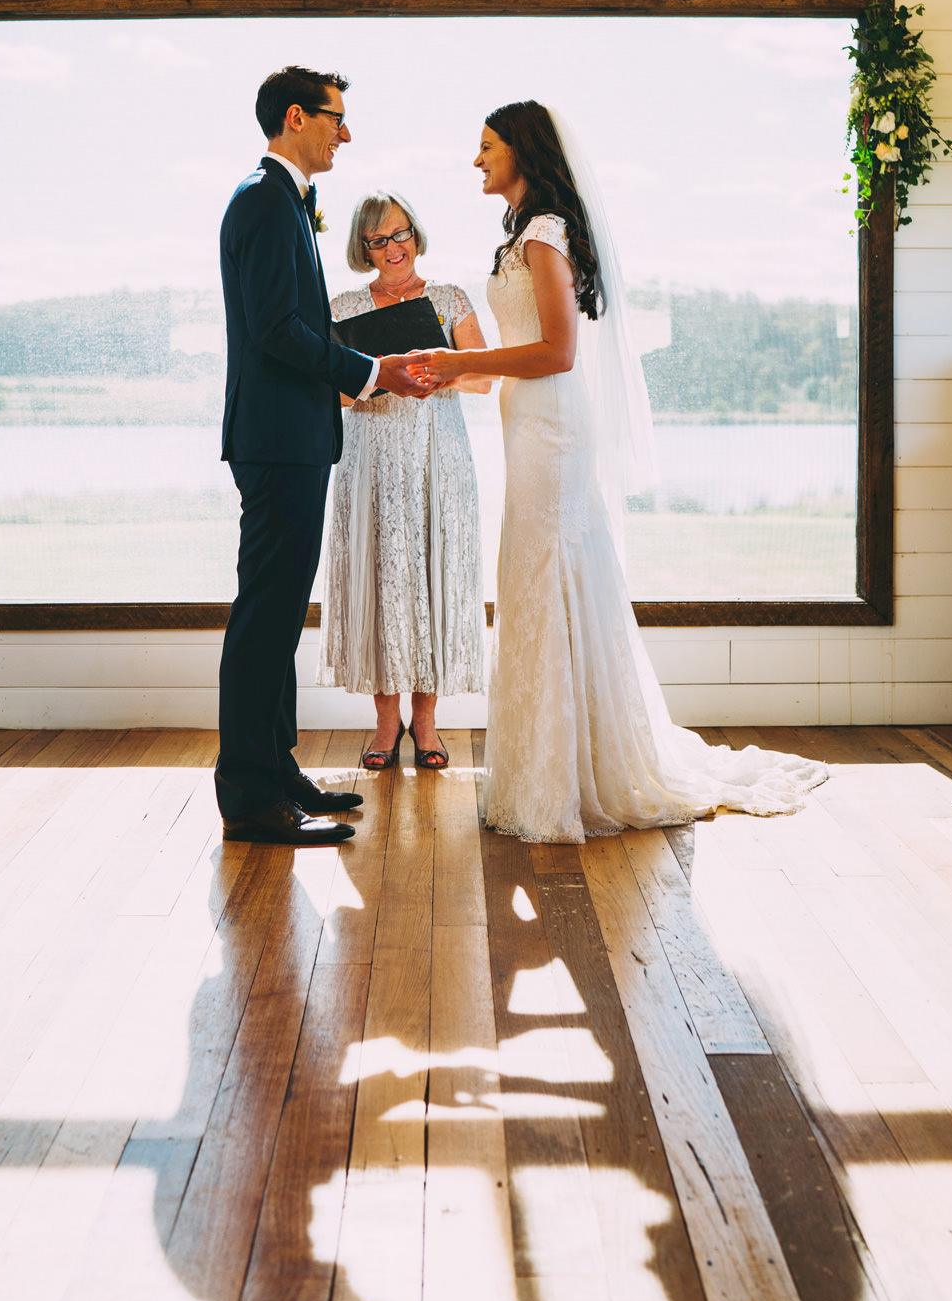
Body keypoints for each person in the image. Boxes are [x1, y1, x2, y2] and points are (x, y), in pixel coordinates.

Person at [408, 100, 829, 844]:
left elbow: (558, 353)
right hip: (529, 422)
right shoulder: (527, 234)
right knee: (536, 578)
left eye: (486, 146)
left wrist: (462, 361)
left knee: (545, 576)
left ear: (523, 153)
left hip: (551, 423)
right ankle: (554, 766)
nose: (476, 160)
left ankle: (566, 776)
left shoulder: (544, 234)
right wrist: (453, 371)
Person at [216, 65, 428, 846]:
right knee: (263, 621)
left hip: (290, 439)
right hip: (277, 441)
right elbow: (279, 333)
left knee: (275, 618)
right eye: (338, 118)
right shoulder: (265, 202)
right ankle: (248, 798)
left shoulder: (278, 201)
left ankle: (278, 771)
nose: (347, 132)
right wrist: (373, 371)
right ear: (298, 117)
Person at [320, 192, 488, 770]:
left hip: (437, 459)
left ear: (415, 235)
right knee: (381, 580)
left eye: (399, 235)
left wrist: (438, 373)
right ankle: (385, 723)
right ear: (362, 248)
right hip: (371, 458)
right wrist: (382, 381)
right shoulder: (342, 307)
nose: (391, 248)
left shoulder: (448, 298)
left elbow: (483, 378)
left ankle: (427, 722)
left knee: (432, 578)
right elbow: (333, 392)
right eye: (377, 240)